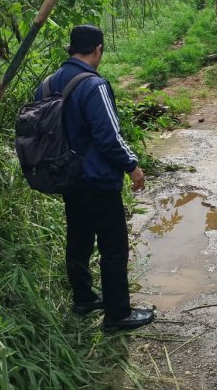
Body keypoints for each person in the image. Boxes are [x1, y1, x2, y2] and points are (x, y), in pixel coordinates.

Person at [35, 24, 154, 331]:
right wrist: (132, 166)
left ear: (71, 49)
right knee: (113, 246)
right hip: (98, 180)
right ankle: (117, 314)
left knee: (78, 239)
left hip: (66, 178)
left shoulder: (47, 84)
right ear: (98, 49)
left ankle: (84, 298)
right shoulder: (94, 85)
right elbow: (108, 136)